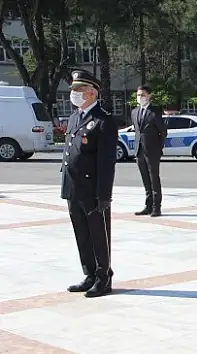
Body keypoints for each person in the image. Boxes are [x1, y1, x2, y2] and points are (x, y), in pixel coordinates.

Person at [60, 69, 118, 298]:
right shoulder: (76, 117)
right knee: (81, 232)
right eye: (73, 89)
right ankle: (90, 273)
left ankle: (104, 277)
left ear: (91, 93)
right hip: (73, 186)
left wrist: (104, 194)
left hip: (92, 188)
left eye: (78, 90)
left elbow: (106, 162)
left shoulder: (104, 121)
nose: (73, 93)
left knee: (98, 234)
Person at [132, 85, 168, 217]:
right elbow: (137, 131)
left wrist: (158, 148)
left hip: (152, 151)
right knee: (145, 179)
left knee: (154, 179)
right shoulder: (134, 112)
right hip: (139, 150)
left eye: (143, 95)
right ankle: (148, 205)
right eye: (138, 95)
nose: (140, 97)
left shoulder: (154, 112)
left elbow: (163, 132)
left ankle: (156, 207)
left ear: (149, 96)